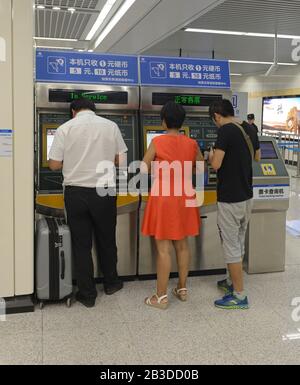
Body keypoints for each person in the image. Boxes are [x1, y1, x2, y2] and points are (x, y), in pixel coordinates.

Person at [48, 98, 127, 308]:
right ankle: (111, 283)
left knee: (81, 245)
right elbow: (121, 161)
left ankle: (87, 294)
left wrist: (74, 160)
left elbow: (54, 164)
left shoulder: (64, 128)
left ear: (74, 111)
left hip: (76, 193)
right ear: (94, 110)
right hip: (104, 190)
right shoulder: (111, 126)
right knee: (107, 239)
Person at [141, 101, 203, 310]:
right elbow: (200, 167)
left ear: (164, 121)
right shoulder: (192, 143)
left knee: (163, 249)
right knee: (183, 244)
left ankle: (160, 297)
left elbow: (143, 167)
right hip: (185, 196)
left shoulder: (157, 141)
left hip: (164, 197)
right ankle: (182, 289)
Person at [209, 100, 261, 310]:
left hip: (230, 198)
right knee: (238, 241)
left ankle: (239, 296)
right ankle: (231, 281)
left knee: (230, 245)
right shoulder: (248, 128)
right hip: (247, 195)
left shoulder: (225, 131)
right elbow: (258, 157)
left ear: (217, 116)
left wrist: (211, 155)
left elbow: (216, 164)